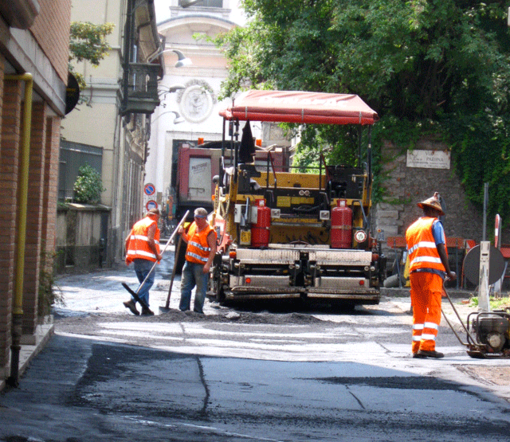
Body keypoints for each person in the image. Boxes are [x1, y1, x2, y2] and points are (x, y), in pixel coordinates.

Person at [405, 192, 456, 359]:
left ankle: (417, 347)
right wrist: (449, 272)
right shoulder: (435, 224)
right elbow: (440, 248)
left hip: (414, 273)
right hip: (431, 272)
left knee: (419, 310)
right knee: (433, 309)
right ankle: (427, 346)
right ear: (434, 212)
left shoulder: (412, 228)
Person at [123, 208, 163, 316]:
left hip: (137, 259)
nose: (158, 220)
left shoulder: (137, 224)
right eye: (158, 218)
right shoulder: (152, 223)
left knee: (143, 284)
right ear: (155, 216)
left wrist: (128, 256)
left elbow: (127, 240)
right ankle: (132, 300)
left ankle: (145, 308)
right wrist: (157, 255)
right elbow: (150, 240)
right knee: (148, 282)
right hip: (148, 258)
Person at [178, 207, 217, 314]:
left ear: (204, 218)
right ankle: (184, 310)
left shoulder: (209, 232)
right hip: (189, 262)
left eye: (199, 218)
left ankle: (198, 311)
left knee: (200, 290)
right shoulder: (193, 226)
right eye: (195, 218)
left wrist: (208, 265)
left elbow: (214, 249)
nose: (196, 220)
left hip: (200, 265)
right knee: (185, 287)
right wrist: (182, 234)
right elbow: (188, 241)